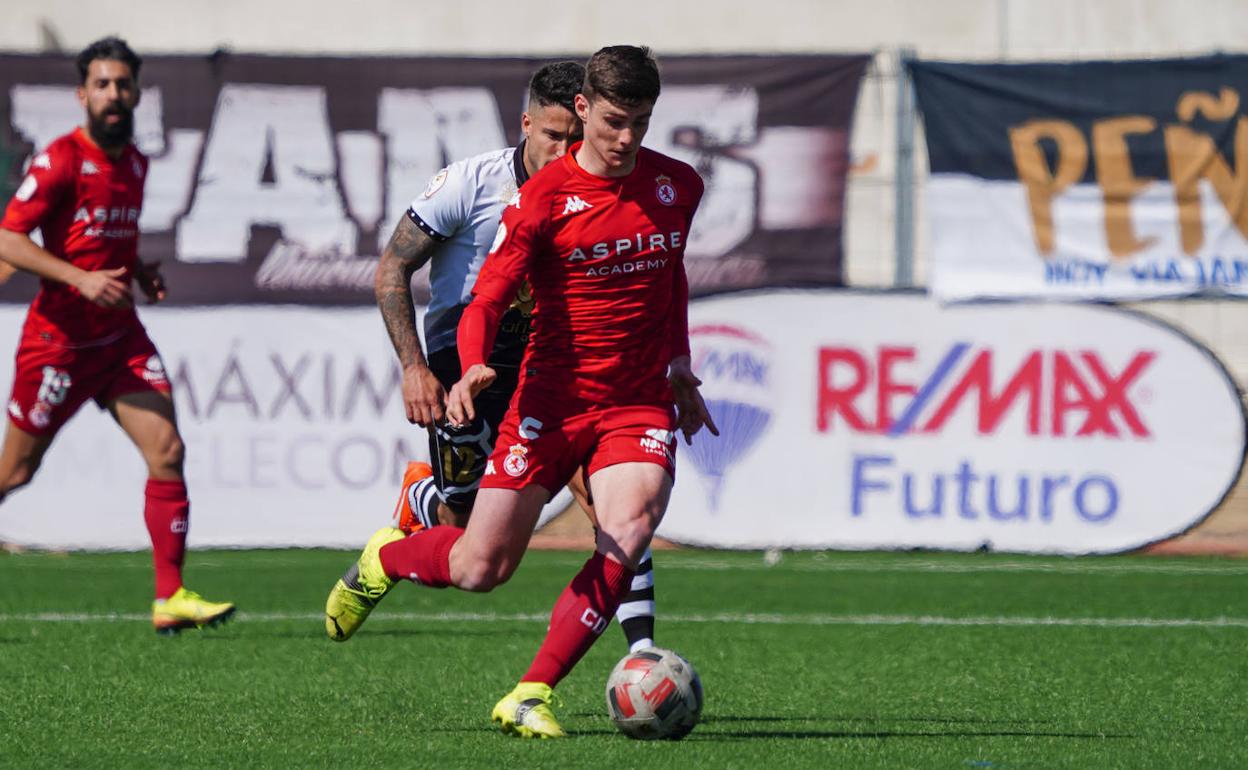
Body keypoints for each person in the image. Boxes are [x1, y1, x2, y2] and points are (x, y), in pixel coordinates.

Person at [326, 45, 717, 738]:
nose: (626, 139)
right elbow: (485, 298)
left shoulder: (677, 186)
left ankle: (531, 692)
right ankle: (386, 556)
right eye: (614, 122)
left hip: (634, 402)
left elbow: (671, 274)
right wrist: (470, 363)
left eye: (643, 123)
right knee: (480, 565)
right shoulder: (539, 200)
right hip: (547, 400)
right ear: (583, 108)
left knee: (627, 527)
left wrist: (679, 364)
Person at [0, 37, 234, 634]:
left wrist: (139, 272)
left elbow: (108, 243)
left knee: (168, 452)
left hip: (119, 340)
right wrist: (77, 278)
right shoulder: (58, 160)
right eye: (101, 84)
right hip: (57, 345)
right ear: (83, 94)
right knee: (15, 474)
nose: (112, 94)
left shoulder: (134, 161)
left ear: (135, 92)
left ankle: (169, 596)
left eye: (122, 84)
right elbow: (8, 239)